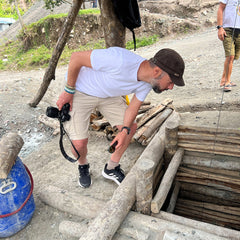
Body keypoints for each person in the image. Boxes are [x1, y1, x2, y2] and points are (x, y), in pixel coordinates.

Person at [56, 47, 185, 188]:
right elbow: (76, 57)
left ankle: (111, 168)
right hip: (81, 90)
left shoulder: (148, 81)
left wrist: (123, 131)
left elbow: (133, 108)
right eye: (171, 81)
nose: (171, 87)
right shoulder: (119, 60)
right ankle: (83, 164)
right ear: (157, 72)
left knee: (131, 127)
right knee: (79, 145)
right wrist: (68, 90)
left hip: (109, 95)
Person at [217, 0, 240, 92]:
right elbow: (220, 9)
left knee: (234, 56)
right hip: (227, 29)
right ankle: (227, 81)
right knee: (230, 55)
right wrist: (220, 28)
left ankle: (223, 79)